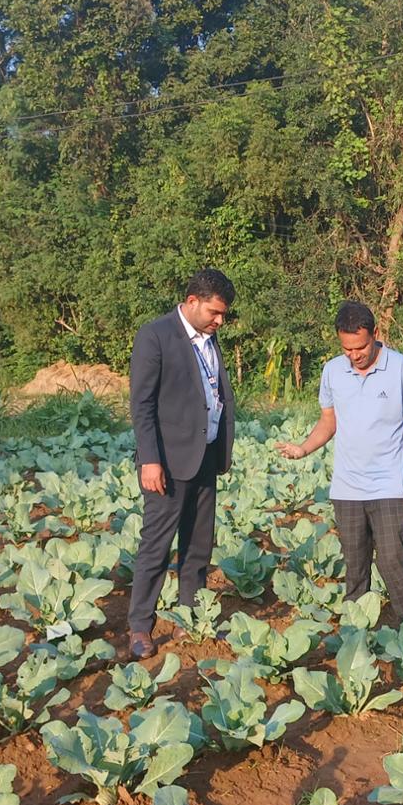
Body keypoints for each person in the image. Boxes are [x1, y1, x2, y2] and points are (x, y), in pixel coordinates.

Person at [277, 300, 403, 625]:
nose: (354, 355)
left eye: (360, 347)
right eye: (347, 349)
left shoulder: (401, 366)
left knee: (392, 558)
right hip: (347, 487)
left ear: (375, 334)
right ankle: (356, 631)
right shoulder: (333, 370)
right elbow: (328, 422)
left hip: (388, 484)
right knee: (355, 561)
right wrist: (303, 448)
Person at [127, 268, 237, 658]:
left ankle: (192, 615)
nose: (219, 321)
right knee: (156, 545)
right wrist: (150, 459)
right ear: (192, 302)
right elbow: (141, 405)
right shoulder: (155, 336)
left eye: (223, 315)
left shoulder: (208, 340)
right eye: (214, 312)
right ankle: (141, 626)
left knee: (198, 545)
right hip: (168, 462)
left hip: (205, 456)